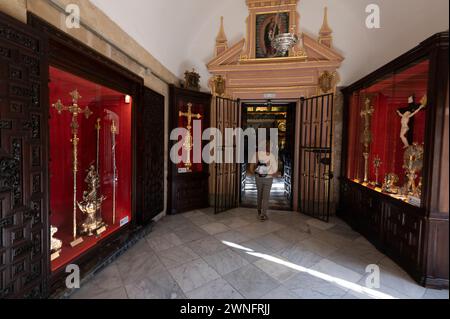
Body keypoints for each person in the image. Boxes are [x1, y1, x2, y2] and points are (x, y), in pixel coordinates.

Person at [249, 140, 278, 221]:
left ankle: (258, 210)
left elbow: (251, 167)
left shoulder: (256, 154)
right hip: (268, 178)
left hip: (258, 177)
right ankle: (263, 215)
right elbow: (275, 169)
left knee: (259, 194)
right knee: (266, 197)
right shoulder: (271, 156)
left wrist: (256, 173)